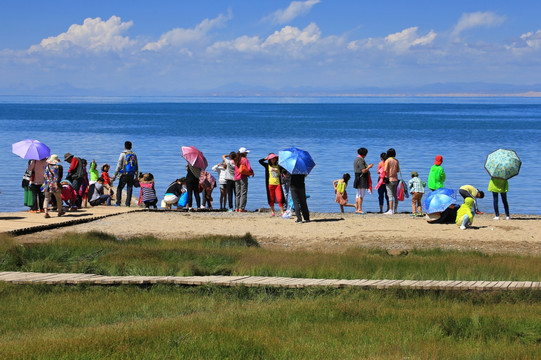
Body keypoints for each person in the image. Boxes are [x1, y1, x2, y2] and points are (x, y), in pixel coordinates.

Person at [113, 141, 138, 207]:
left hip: (124, 174)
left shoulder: (122, 154)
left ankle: (118, 203)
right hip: (132, 174)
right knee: (129, 188)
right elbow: (136, 165)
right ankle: (128, 204)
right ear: (131, 147)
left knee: (119, 188)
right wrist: (137, 176)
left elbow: (119, 164)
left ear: (124, 147)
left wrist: (115, 173)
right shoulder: (134, 154)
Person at [353, 147, 373, 214]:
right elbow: (363, 170)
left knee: (358, 194)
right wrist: (369, 167)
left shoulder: (356, 159)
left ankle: (357, 209)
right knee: (361, 194)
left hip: (357, 177)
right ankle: (359, 209)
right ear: (364, 154)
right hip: (362, 178)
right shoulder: (361, 160)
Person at [234, 147, 254, 212]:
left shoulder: (236, 160)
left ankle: (236, 208)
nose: (247, 154)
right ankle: (241, 208)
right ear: (244, 153)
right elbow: (249, 168)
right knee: (243, 192)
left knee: (237, 193)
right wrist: (252, 173)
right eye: (246, 152)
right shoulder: (245, 160)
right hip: (243, 177)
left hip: (236, 177)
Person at [384, 148, 400, 214]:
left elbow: (385, 170)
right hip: (395, 179)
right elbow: (398, 170)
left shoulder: (387, 160)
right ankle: (395, 209)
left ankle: (390, 210)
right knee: (395, 195)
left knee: (390, 194)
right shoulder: (396, 160)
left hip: (389, 179)